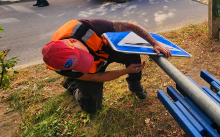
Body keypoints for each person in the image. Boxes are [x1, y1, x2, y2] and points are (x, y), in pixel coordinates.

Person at [42, 19, 172, 113]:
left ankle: (135, 86)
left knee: (132, 54)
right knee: (91, 107)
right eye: (80, 63)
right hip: (90, 70)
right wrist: (125, 70)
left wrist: (154, 43)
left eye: (82, 56)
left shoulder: (85, 28)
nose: (86, 62)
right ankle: (72, 84)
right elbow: (96, 77)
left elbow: (130, 25)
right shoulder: (60, 66)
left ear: (72, 41)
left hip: (104, 51)